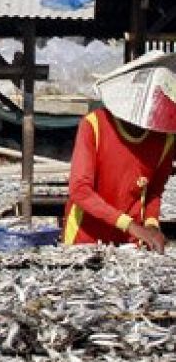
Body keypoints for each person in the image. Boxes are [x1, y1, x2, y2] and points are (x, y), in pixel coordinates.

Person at [63, 106, 173, 253]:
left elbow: (154, 191)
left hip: (131, 243)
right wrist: (131, 226)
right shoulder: (95, 123)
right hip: (84, 239)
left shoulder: (165, 138)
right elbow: (80, 190)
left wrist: (151, 225)